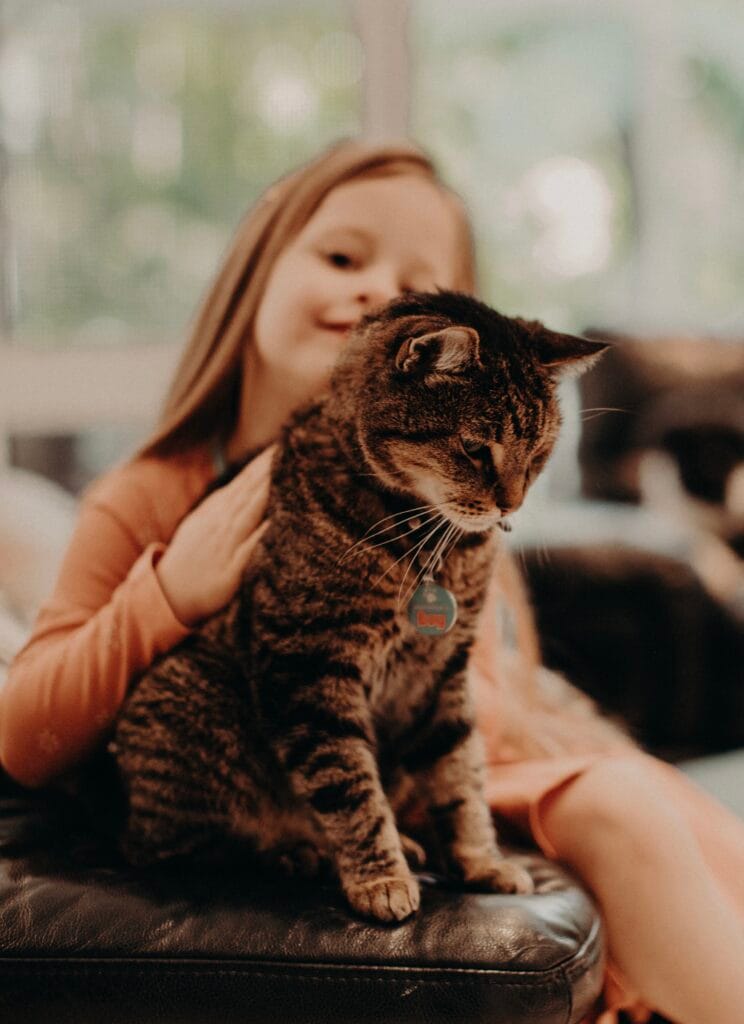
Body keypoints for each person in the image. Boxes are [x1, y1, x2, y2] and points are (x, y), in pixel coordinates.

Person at [1, 138, 742, 1024]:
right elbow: (23, 734)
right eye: (344, 257)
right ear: (259, 266)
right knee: (620, 808)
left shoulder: (450, 487)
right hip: (347, 772)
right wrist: (168, 594)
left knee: (668, 806)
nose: (376, 292)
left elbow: (474, 683)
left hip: (458, 754)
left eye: (416, 282)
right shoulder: (154, 489)